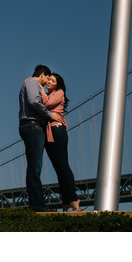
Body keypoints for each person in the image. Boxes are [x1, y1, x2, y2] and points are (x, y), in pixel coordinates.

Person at [41, 72, 82, 212]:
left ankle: (74, 198)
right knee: (58, 168)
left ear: (57, 83)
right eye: (49, 80)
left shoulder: (59, 93)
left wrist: (39, 87)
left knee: (63, 165)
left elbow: (46, 103)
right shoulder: (47, 93)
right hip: (48, 133)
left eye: (52, 80)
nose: (49, 82)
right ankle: (66, 201)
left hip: (57, 131)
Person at [18, 64, 55, 211]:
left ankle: (36, 204)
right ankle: (38, 205)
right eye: (47, 79)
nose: (46, 83)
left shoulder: (29, 83)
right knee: (35, 168)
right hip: (33, 126)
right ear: (42, 75)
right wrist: (50, 114)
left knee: (33, 167)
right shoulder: (32, 82)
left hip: (30, 126)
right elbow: (34, 101)